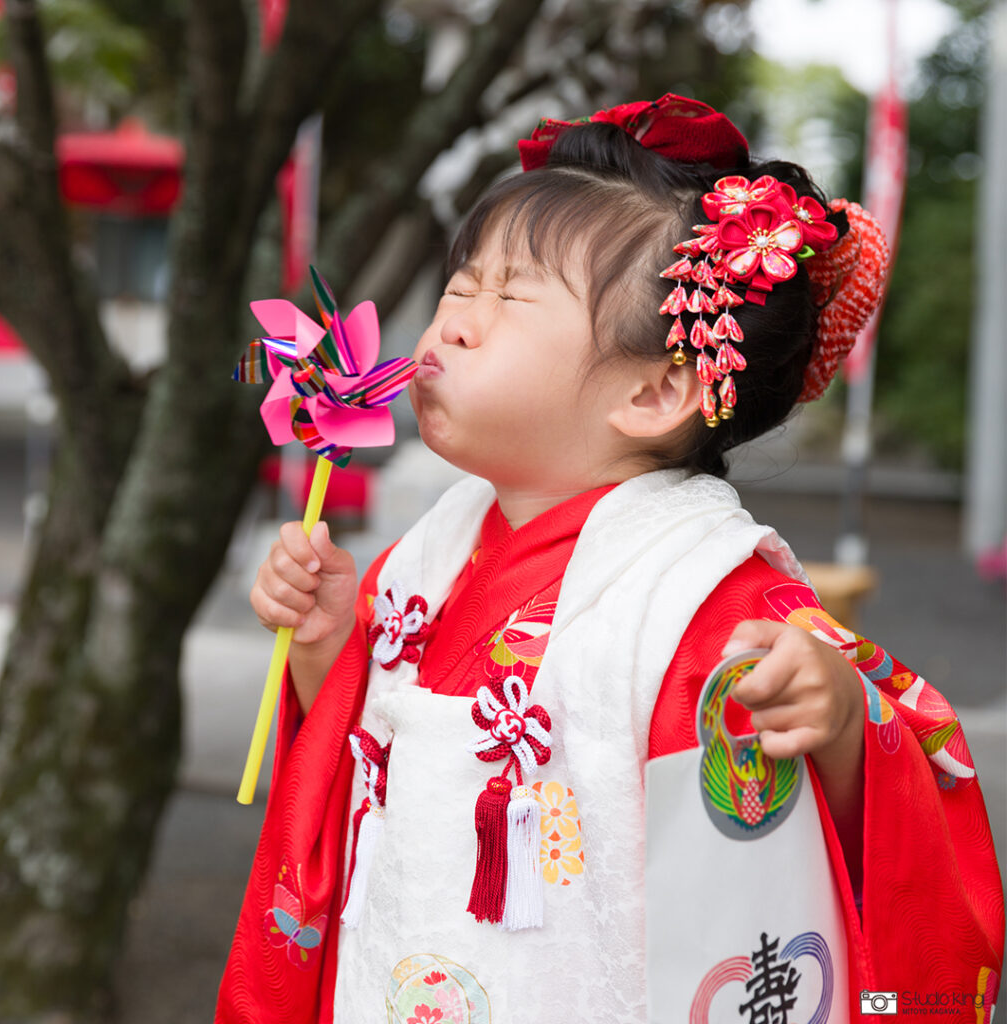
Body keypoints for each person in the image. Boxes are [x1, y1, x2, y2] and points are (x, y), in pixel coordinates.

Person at [217, 95, 1003, 1022]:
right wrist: (326, 643)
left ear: (659, 388)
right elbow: (362, 769)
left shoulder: (707, 595)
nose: (454, 323)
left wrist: (836, 722)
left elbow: (843, 842)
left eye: (509, 298)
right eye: (459, 287)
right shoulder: (420, 564)